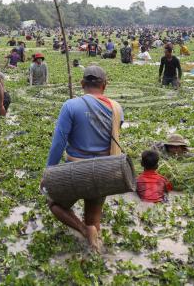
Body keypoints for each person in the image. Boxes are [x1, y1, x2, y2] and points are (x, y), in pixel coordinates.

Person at [44, 66, 123, 252]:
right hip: (103, 171)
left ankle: (83, 230)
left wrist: (49, 172)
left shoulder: (70, 106)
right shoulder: (117, 108)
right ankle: (95, 249)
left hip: (75, 170)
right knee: (94, 218)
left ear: (81, 84)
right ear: (104, 85)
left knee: (54, 203)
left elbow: (58, 143)